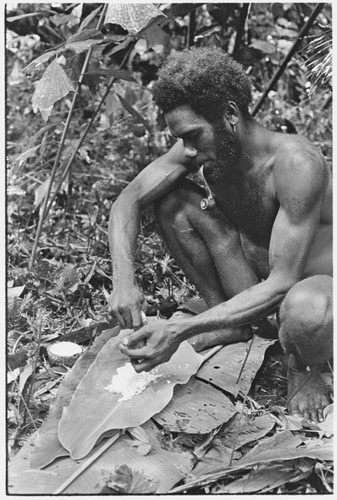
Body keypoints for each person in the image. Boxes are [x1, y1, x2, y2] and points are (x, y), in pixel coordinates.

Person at [108, 47, 332, 423]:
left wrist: (183, 328)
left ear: (230, 115)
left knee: (307, 311)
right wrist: (123, 281)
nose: (188, 150)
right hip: (255, 282)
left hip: (307, 286)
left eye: (194, 135)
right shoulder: (202, 150)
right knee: (172, 203)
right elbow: (128, 199)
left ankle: (302, 363)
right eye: (182, 139)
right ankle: (230, 323)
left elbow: (283, 282)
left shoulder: (297, 163)